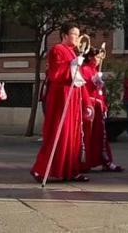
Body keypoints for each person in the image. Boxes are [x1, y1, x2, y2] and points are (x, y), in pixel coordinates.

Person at [31, 25, 90, 183]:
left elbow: (80, 80)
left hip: (73, 98)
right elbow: (55, 73)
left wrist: (86, 102)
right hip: (61, 97)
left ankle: (71, 169)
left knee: (73, 135)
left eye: (79, 35)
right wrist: (72, 65)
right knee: (59, 132)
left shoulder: (72, 52)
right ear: (64, 35)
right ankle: (41, 169)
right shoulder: (57, 49)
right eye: (74, 34)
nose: (77, 38)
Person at [81, 47, 123, 172]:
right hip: (89, 106)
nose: (99, 60)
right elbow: (83, 89)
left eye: (100, 57)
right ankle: (84, 162)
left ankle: (106, 161)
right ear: (90, 57)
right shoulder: (83, 70)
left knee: (101, 135)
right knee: (87, 136)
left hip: (98, 107)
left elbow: (100, 92)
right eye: (97, 57)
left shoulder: (94, 71)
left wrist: (104, 105)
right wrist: (92, 82)